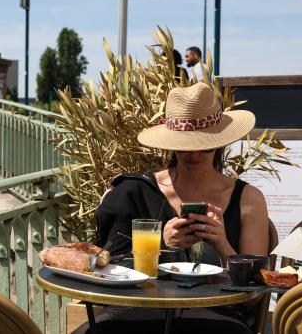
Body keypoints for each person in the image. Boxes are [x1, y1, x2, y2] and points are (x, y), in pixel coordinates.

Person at [74, 82, 267, 334]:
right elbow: (108, 271)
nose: (194, 154)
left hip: (217, 315)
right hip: (137, 310)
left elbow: (255, 292)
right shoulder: (132, 193)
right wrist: (161, 248)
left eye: (205, 144)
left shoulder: (248, 198)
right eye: (184, 144)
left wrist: (223, 245)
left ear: (219, 143)